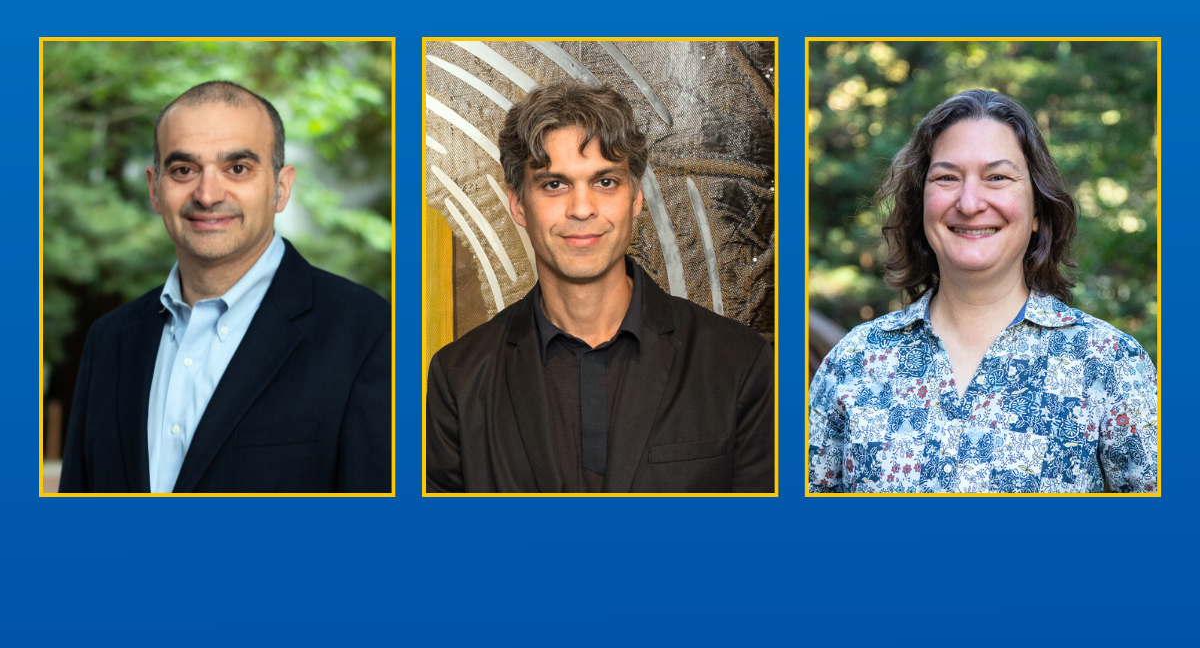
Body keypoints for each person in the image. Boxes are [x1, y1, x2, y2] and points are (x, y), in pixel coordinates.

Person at [425, 83, 774, 493]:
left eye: (605, 182)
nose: (582, 209)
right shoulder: (460, 377)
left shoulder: (737, 362)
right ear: (518, 204)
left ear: (636, 198)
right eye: (554, 184)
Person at [808, 89, 1158, 494]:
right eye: (947, 178)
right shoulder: (853, 362)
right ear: (921, 204)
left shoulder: (1110, 364)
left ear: (1037, 210)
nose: (970, 203)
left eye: (997, 178)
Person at [59, 81, 391, 493]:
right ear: (155, 189)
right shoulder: (109, 341)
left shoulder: (369, 334)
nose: (207, 194)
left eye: (237, 168)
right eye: (184, 170)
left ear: (281, 188)